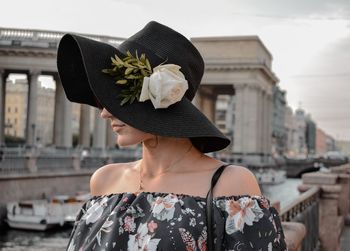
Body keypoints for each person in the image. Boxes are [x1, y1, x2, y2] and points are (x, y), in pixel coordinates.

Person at [57, 21, 286, 251]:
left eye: (118, 99)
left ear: (160, 99)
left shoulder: (231, 185)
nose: (105, 113)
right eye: (104, 100)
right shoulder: (103, 180)